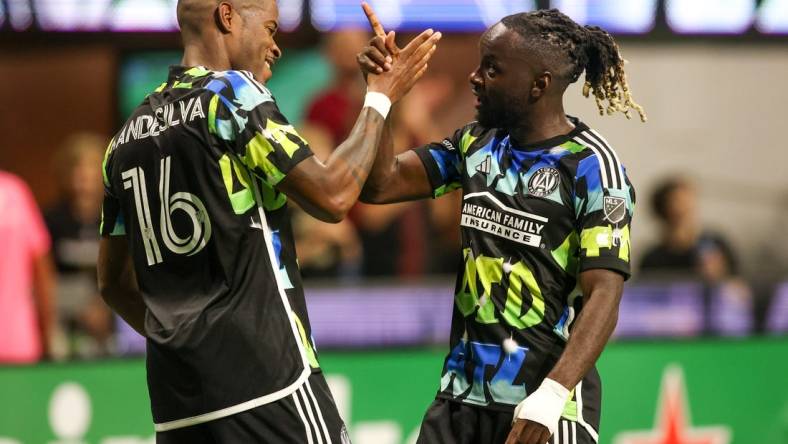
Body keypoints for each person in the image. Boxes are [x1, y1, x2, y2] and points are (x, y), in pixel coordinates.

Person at [96, 0, 441, 442]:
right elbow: (334, 195)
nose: (275, 47)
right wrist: (380, 97)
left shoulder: (124, 139)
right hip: (271, 386)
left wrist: (187, 344)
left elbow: (112, 283)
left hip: (178, 408)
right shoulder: (233, 95)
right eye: (272, 28)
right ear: (227, 17)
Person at [357, 7, 644, 444]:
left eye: (492, 68)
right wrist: (385, 98)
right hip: (459, 400)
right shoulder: (475, 143)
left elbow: (604, 293)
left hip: (545, 408)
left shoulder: (592, 168)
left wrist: (551, 395)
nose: (474, 77)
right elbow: (380, 185)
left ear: (539, 84)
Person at [44, 133, 114, 358]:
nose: (84, 179)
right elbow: (44, 279)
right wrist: (79, 307)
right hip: (63, 320)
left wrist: (105, 310)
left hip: (111, 318)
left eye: (91, 170)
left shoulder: (116, 218)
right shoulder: (52, 220)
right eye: (78, 171)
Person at [0, 171, 56, 363]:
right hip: (19, 343)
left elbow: (41, 271)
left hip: (20, 345)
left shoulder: (16, 192)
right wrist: (48, 335)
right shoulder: (14, 191)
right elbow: (42, 273)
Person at [640, 177, 738, 283]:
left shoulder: (714, 245)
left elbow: (739, 287)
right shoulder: (652, 259)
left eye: (689, 202)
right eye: (678, 202)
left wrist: (720, 275)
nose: (687, 208)